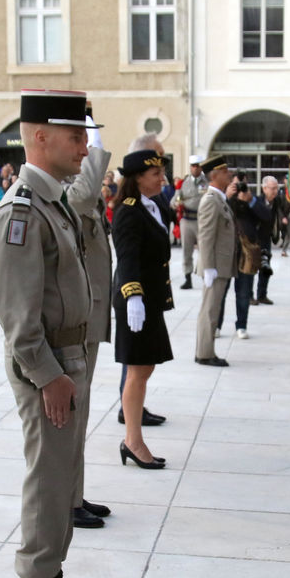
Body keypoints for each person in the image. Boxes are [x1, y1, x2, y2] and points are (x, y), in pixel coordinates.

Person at [0, 89, 109, 578]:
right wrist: (48, 377)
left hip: (68, 361)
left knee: (63, 477)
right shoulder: (20, 212)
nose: (85, 147)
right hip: (49, 367)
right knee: (47, 478)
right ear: (39, 137)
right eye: (75, 136)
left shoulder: (53, 202)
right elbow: (18, 316)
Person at [66, 104, 115, 531]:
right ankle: (67, 501)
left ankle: (75, 494)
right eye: (79, 141)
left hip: (89, 316)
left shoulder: (74, 185)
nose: (84, 150)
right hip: (73, 323)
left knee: (80, 415)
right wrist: (96, 151)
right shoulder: (62, 190)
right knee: (72, 417)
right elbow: (82, 197)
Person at [113, 149, 175, 469]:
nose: (162, 178)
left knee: (146, 368)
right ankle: (133, 441)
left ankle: (133, 438)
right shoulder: (128, 210)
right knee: (137, 371)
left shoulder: (152, 205)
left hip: (150, 298)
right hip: (135, 300)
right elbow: (127, 258)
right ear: (138, 178)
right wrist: (133, 298)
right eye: (156, 174)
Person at [194, 156, 237, 367]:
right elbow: (205, 236)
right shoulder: (211, 200)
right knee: (210, 310)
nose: (229, 174)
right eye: (225, 171)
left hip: (220, 265)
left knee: (213, 309)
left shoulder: (219, 198)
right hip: (215, 266)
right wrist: (209, 267)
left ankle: (206, 350)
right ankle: (204, 353)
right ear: (214, 175)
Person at [230, 176, 261, 340]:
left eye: (242, 185)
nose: (239, 188)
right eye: (236, 184)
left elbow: (266, 216)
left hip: (246, 254)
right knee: (220, 293)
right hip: (228, 252)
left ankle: (241, 325)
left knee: (243, 292)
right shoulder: (224, 199)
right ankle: (216, 325)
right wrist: (228, 197)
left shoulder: (251, 201)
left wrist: (250, 201)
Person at [173, 155, 206, 287]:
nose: (195, 168)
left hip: (201, 220)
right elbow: (175, 199)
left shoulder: (206, 182)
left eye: (198, 166)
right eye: (193, 166)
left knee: (204, 250)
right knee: (186, 251)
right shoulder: (184, 183)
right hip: (187, 219)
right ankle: (187, 277)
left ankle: (204, 275)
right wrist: (177, 204)